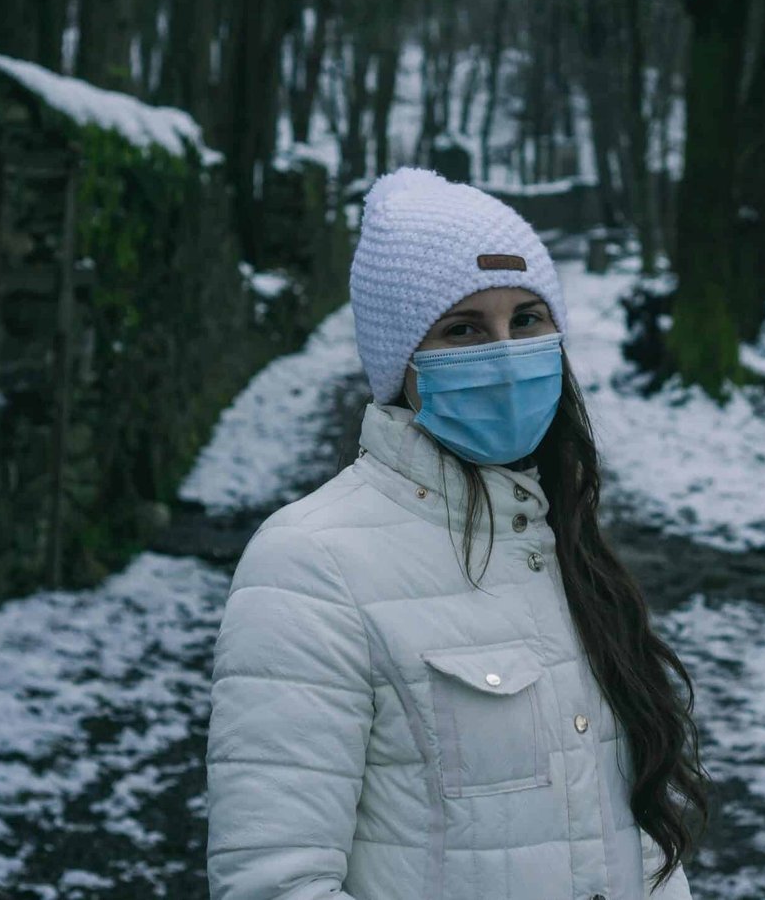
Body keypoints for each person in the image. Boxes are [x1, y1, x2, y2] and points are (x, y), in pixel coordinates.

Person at [206, 167, 706, 899]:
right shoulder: (309, 567)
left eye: (528, 319)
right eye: (464, 328)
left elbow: (627, 836)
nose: (505, 354)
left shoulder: (559, 539)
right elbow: (274, 883)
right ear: (399, 364)